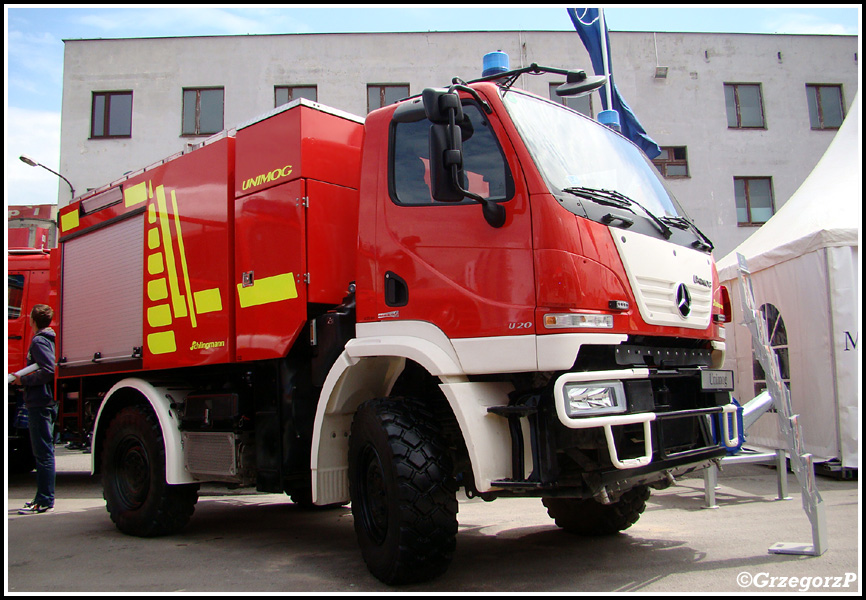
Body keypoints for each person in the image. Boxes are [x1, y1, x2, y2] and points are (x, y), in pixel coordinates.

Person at [14, 304, 57, 515]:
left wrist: (24, 380)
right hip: (44, 401)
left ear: (32, 320)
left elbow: (49, 370)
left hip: (39, 402)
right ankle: (43, 498)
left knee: (43, 453)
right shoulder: (48, 339)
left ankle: (43, 500)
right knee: (44, 452)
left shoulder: (39, 341)